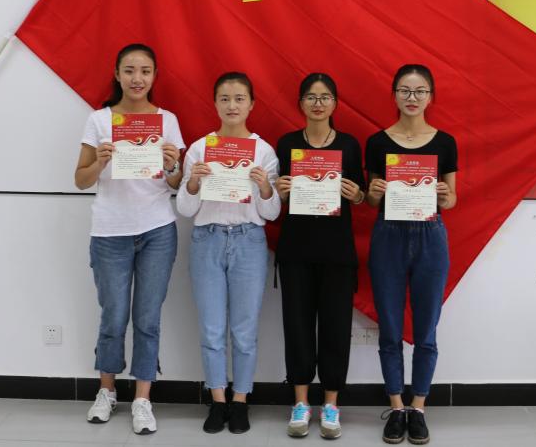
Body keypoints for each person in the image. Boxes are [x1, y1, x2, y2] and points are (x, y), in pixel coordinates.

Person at [75, 44, 184, 435]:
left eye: (145, 71)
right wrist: (101, 161)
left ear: (154, 76)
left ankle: (142, 398)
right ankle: (106, 391)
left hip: (157, 230)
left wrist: (171, 165)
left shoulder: (167, 120)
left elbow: (176, 182)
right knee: (114, 316)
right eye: (130, 70)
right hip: (110, 232)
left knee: (148, 319)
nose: (137, 78)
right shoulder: (100, 120)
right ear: (117, 74)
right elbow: (80, 179)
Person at [176, 72, 281, 435]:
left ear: (251, 104)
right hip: (207, 240)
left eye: (239, 98)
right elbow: (186, 209)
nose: (232, 105)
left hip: (249, 242)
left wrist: (265, 187)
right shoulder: (200, 149)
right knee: (211, 328)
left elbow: (271, 213)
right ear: (215, 103)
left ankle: (241, 400)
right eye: (225, 98)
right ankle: (217, 399)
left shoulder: (263, 151)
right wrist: (193, 181)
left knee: (245, 329)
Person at [364, 65, 458, 446]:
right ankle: (396, 406)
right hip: (388, 235)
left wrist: (444, 195)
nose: (412, 98)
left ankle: (418, 407)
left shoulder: (445, 142)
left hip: (430, 236)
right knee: (389, 327)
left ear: (430, 96)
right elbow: (371, 200)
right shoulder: (377, 142)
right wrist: (374, 191)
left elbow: (451, 199)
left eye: (420, 91)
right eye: (405, 90)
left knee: (426, 329)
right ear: (394, 95)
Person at [274, 73, 364, 440]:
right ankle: (300, 403)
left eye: (325, 97)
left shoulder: (349, 145)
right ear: (300, 103)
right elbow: (277, 197)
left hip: (337, 252)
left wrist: (356, 193)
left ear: (335, 103)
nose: (318, 103)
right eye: (311, 97)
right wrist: (280, 191)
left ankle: (330, 404)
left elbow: (361, 195)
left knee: (335, 329)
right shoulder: (287, 144)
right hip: (296, 250)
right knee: (296, 327)